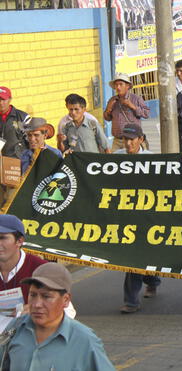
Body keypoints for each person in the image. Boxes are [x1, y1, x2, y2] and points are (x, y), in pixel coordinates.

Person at [0, 262, 115, 370]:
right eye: (33, 295)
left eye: (46, 297)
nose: (37, 304)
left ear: (65, 300)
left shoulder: (85, 340)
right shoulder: (14, 329)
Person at [113, 124, 159, 314]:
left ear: (140, 139)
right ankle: (146, 285)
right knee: (136, 258)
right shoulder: (116, 158)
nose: (128, 143)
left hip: (147, 218)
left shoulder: (152, 160)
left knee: (138, 257)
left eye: (132, 139)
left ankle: (136, 296)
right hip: (125, 217)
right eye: (125, 139)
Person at [103, 72, 150, 152]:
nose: (118, 87)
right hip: (117, 141)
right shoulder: (112, 100)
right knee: (115, 162)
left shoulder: (136, 99)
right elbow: (107, 118)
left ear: (127, 86)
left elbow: (146, 113)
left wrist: (132, 106)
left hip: (133, 140)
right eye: (116, 85)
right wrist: (108, 109)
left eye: (121, 84)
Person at [0, 86, 29, 159]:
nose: (1, 103)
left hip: (20, 161)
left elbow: (31, 140)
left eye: (3, 99)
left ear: (10, 99)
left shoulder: (22, 117)